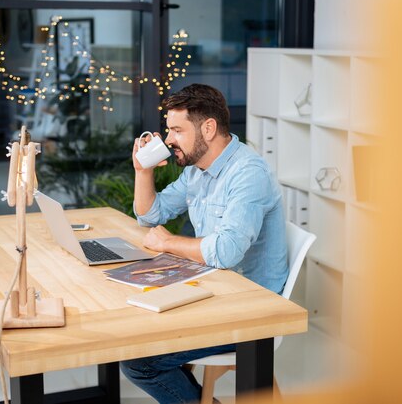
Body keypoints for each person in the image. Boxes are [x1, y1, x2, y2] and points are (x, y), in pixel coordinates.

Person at [120, 84, 288, 404]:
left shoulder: (247, 174)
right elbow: (151, 214)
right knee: (136, 330)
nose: (168, 140)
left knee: (141, 362)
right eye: (169, 130)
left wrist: (169, 242)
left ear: (208, 128)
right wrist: (142, 171)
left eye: (177, 130)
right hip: (214, 290)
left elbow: (224, 252)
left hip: (250, 309)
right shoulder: (199, 170)